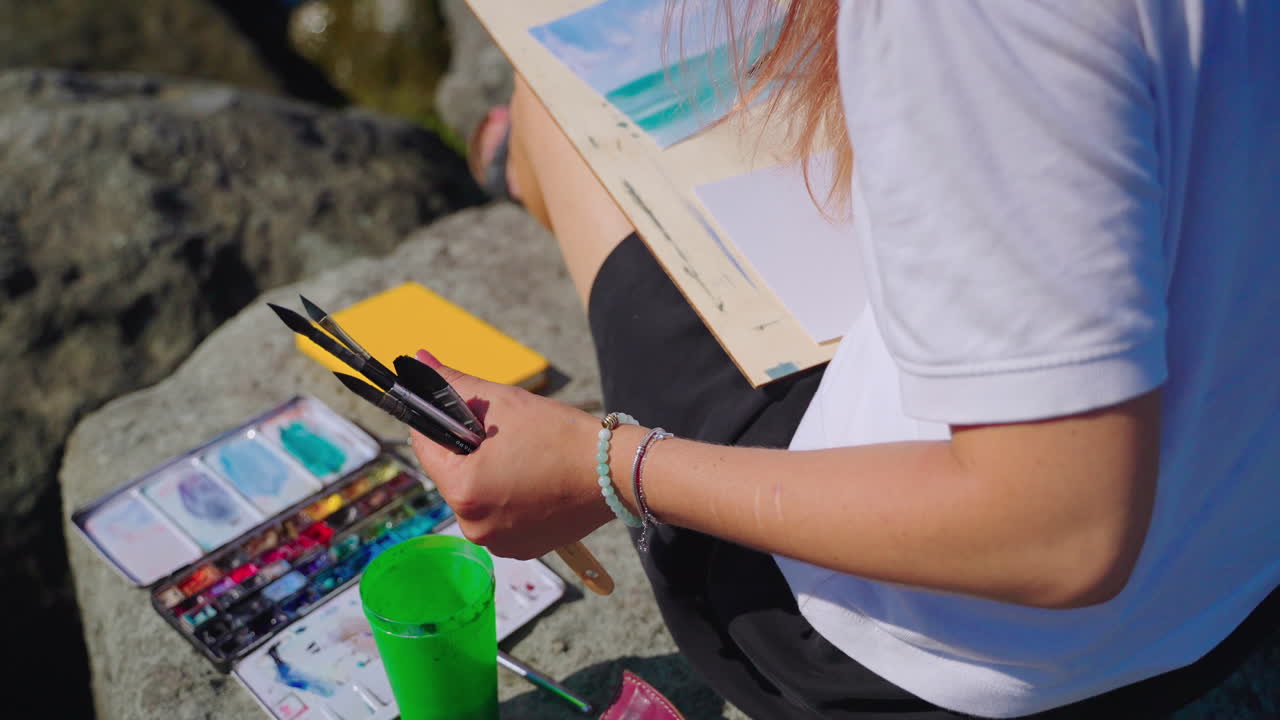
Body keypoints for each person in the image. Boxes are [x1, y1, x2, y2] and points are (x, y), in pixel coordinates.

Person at [415, 2, 1280, 718]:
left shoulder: (973, 23)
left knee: (552, 102)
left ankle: (517, 161)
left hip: (937, 665)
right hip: (1233, 587)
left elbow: (1061, 533)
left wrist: (605, 464)